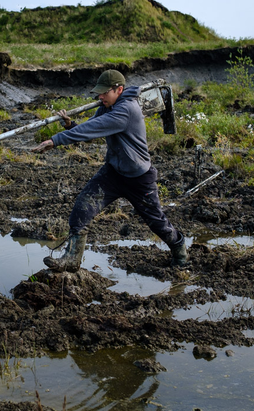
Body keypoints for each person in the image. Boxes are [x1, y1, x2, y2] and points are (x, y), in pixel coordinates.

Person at [32, 69, 187, 273]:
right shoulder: (108, 107)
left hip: (139, 178)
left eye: (105, 92)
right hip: (113, 173)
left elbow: (94, 127)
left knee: (156, 222)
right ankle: (72, 258)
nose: (100, 96)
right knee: (83, 207)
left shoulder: (126, 110)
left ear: (119, 90)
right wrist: (71, 125)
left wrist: (56, 140)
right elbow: (91, 130)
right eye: (99, 92)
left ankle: (179, 248)